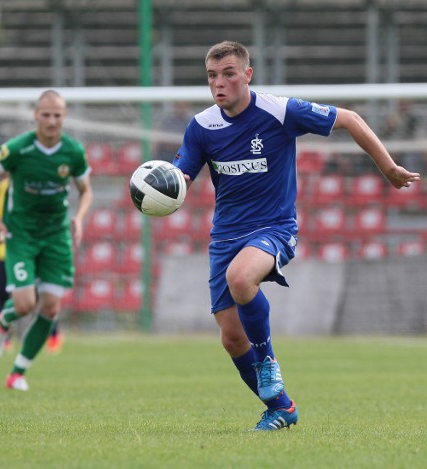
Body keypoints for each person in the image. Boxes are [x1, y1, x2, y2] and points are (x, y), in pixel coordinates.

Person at [172, 41, 420, 431]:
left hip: (274, 227)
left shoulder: (278, 111)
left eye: (228, 73)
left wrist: (387, 168)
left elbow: (350, 118)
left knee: (241, 279)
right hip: (225, 238)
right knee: (231, 338)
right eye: (212, 76)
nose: (219, 83)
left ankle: (268, 361)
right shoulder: (202, 126)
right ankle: (281, 407)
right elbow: (183, 174)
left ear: (247, 75)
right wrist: (163, 188)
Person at [0, 89, 92, 391]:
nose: (51, 121)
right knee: (26, 304)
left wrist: (79, 217)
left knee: (51, 308)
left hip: (56, 236)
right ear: (35, 115)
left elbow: (86, 190)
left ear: (64, 117)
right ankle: (5, 319)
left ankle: (16, 374)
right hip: (22, 235)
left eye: (57, 115)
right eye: (46, 114)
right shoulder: (18, 149)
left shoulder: (73, 152)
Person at [0, 178, 64, 355]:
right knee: (3, 293)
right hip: (6, 251)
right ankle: (5, 337)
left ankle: (52, 335)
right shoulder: (3, 187)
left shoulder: (34, 184)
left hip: (31, 250)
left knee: (42, 294)